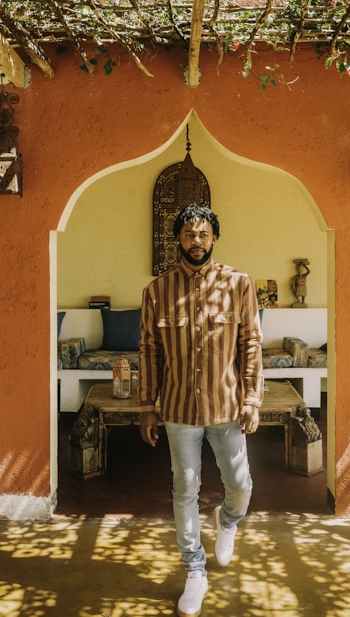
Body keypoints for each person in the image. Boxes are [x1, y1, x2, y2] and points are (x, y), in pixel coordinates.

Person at [138, 203, 263, 617]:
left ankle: (226, 522)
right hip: (177, 410)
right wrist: (146, 406)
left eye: (204, 234)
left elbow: (250, 343)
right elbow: (149, 351)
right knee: (184, 489)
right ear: (178, 239)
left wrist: (252, 398)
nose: (197, 241)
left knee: (241, 486)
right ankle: (194, 569)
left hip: (227, 406)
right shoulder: (156, 291)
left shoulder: (239, 284)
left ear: (214, 238)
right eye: (189, 234)